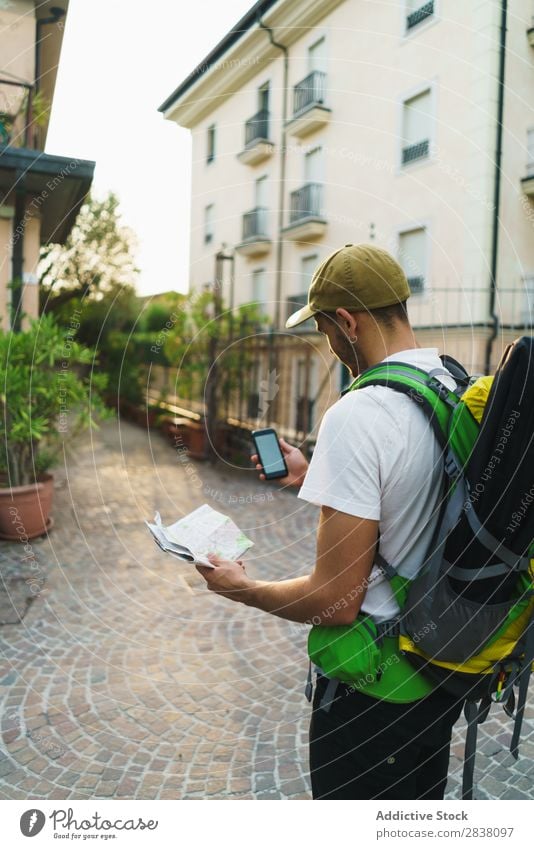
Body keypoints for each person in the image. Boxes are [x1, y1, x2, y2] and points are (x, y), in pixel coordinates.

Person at [195, 243, 464, 800]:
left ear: (346, 322)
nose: (328, 343)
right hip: (442, 675)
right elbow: (417, 487)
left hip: (375, 695)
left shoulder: (357, 414)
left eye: (324, 330)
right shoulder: (451, 381)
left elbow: (336, 602)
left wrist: (243, 589)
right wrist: (313, 473)